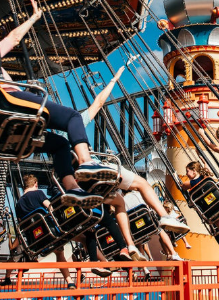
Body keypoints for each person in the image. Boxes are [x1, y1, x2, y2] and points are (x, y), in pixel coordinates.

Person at [0, 0, 117, 187]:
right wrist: (34, 17)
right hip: (12, 108)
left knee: (60, 144)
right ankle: (86, 162)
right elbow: (14, 38)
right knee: (72, 117)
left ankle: (72, 188)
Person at [78, 63, 190, 239]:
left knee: (119, 202)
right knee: (141, 184)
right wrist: (114, 79)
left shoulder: (56, 138)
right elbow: (99, 102)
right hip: (95, 171)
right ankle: (164, 216)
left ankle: (127, 246)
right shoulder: (76, 121)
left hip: (78, 185)